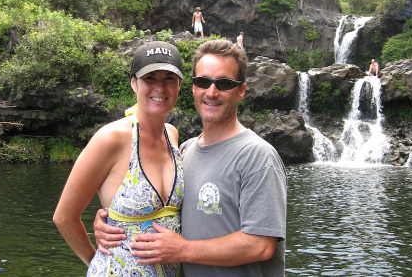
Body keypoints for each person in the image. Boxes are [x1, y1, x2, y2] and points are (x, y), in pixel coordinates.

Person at [94, 39, 287, 276]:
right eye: (203, 81)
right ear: (193, 88)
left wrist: (183, 250)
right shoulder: (182, 151)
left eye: (224, 83)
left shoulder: (258, 157)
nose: (212, 92)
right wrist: (111, 223)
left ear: (242, 90)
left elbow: (261, 245)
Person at [53, 41, 185, 276]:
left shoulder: (172, 135)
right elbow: (64, 217)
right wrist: (95, 261)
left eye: (168, 79)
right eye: (150, 78)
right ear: (134, 83)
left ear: (179, 85)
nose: (160, 87)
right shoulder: (111, 139)